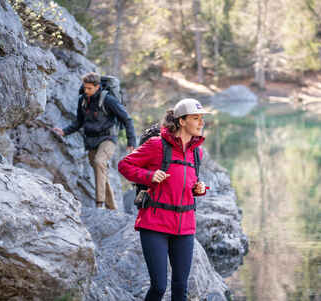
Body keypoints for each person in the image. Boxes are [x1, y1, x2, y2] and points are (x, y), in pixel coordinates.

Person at [118, 98, 211, 301]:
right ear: (181, 121)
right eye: (196, 118)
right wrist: (149, 176)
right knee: (159, 286)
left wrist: (200, 189)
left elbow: (190, 180)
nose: (201, 122)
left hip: (185, 227)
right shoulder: (156, 145)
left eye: (201, 118)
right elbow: (124, 165)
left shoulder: (197, 152)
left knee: (180, 288)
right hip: (155, 225)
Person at [52, 72, 136, 210]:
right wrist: (64, 131)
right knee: (100, 171)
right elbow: (79, 122)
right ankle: (112, 208)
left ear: (97, 87)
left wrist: (131, 141)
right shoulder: (83, 100)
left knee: (99, 162)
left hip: (108, 139)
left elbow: (127, 119)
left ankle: (99, 204)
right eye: (85, 88)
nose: (86, 91)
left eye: (89, 88)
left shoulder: (108, 100)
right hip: (91, 141)